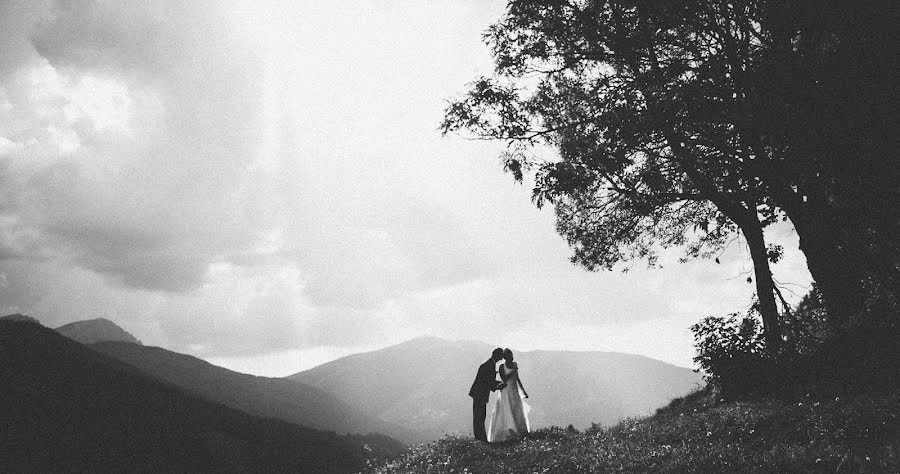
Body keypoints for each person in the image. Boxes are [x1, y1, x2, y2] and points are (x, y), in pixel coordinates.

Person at [488, 348, 530, 442]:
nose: (510, 358)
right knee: (507, 411)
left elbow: (517, 379)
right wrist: (512, 372)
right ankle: (507, 433)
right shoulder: (502, 367)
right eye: (508, 356)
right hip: (506, 391)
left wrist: (523, 391)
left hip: (515, 391)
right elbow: (504, 379)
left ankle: (520, 433)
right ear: (506, 357)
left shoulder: (515, 365)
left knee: (517, 410)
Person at [468, 347, 506, 442]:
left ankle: (480, 438)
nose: (501, 359)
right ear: (497, 355)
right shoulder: (489, 365)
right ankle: (480, 439)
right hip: (480, 394)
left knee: (480, 416)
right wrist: (498, 386)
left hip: (479, 393)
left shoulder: (490, 364)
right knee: (479, 416)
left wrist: (497, 384)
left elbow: (488, 380)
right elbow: (487, 381)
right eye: (501, 356)